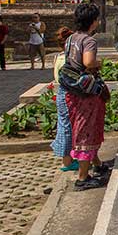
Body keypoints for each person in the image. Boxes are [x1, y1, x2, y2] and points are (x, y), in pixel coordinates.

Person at [62, 4, 110, 191]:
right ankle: (83, 176)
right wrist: (99, 62)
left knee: (82, 126)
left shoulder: (71, 38)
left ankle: (96, 163)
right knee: (87, 130)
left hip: (72, 90)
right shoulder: (89, 41)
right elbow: (88, 62)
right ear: (93, 21)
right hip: (86, 92)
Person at [52, 27, 78, 172]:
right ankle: (67, 161)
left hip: (61, 92)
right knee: (67, 127)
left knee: (65, 125)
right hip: (68, 93)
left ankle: (68, 158)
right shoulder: (67, 60)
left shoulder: (58, 57)